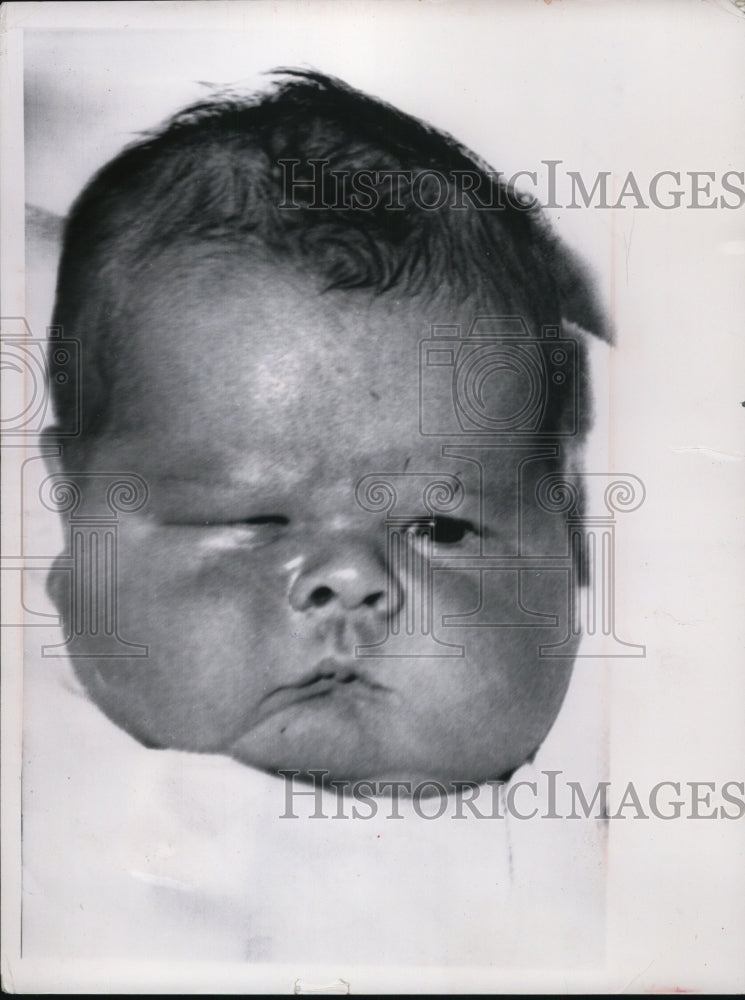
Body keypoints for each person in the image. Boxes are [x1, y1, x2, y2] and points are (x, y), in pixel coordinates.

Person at [25, 69, 609, 963]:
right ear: (70, 509)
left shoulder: (630, 813)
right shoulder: (31, 792)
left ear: (567, 533)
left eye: (440, 527)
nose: (349, 581)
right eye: (252, 517)